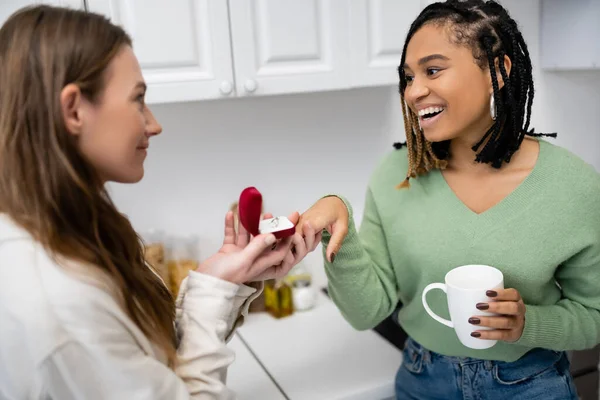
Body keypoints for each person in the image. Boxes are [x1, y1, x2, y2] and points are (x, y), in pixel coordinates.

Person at [0, 5, 320, 399]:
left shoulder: (78, 233)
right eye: (138, 99)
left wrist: (222, 280)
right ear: (74, 109)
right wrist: (212, 290)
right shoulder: (60, 302)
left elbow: (157, 361)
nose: (153, 124)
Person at [298, 0, 600, 398]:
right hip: (423, 380)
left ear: (498, 71)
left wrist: (528, 323)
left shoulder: (571, 186)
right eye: (408, 77)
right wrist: (340, 231)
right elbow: (364, 313)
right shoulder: (396, 175)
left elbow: (592, 315)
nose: (414, 91)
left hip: (531, 383)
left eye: (433, 70)